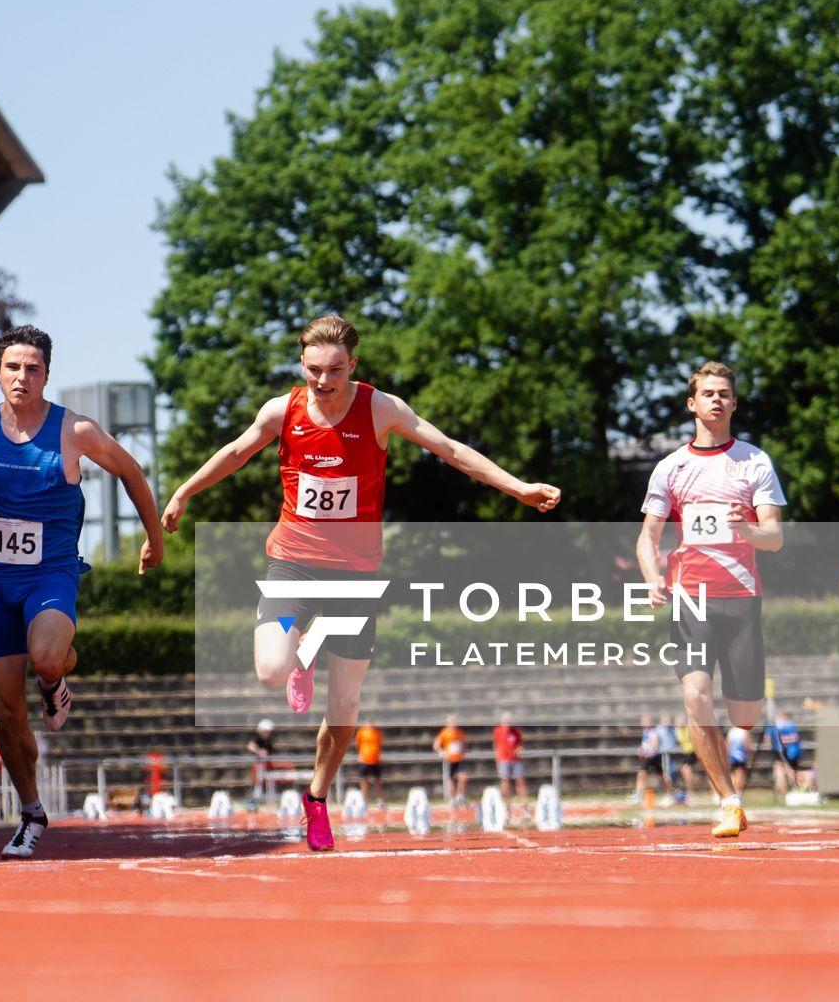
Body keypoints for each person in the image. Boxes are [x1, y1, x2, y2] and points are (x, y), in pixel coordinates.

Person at [161, 314, 559, 852]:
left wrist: (518, 488)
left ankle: (317, 799)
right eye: (313, 370)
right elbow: (236, 452)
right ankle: (302, 649)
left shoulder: (381, 408)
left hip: (353, 577)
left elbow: (451, 450)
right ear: (301, 364)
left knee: (345, 707)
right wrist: (184, 492)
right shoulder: (283, 411)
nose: (323, 382)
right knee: (270, 669)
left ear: (354, 365)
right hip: (294, 565)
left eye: (335, 371)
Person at [0, 325, 165, 859]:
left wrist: (154, 540)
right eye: (12, 367)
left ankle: (57, 677)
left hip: (51, 575)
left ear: (47, 374)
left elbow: (131, 470)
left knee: (47, 655)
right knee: (7, 714)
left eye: (32, 368)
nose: (21, 376)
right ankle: (31, 813)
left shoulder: (75, 430)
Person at [634, 361, 786, 840]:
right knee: (696, 696)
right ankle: (729, 801)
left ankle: (732, 781)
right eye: (708, 393)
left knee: (744, 716)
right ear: (692, 403)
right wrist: (652, 577)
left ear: (734, 403)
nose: (717, 400)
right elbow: (647, 537)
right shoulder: (670, 467)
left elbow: (775, 538)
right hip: (689, 597)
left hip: (741, 599)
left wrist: (745, 529)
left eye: (725, 393)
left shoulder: (754, 461)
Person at [492, 713, 527, 817]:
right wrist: (497, 757)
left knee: (520, 781)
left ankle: (524, 806)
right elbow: (495, 744)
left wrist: (519, 749)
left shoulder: (516, 732)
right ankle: (507, 806)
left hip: (515, 759)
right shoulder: (498, 731)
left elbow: (520, 744)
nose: (506, 725)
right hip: (504, 759)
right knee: (505, 781)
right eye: (505, 723)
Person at [433, 717, 468, 804]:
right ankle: (452, 798)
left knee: (463, 777)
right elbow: (436, 745)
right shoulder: (445, 733)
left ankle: (460, 796)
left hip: (459, 759)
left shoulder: (460, 733)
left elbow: (463, 744)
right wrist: (442, 753)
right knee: (451, 779)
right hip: (450, 759)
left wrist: (463, 751)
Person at [769, 710, 804, 794]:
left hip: (783, 751)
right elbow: (796, 737)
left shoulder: (775, 725)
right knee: (789, 770)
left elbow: (768, 738)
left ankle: (785, 791)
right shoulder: (790, 724)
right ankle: (793, 789)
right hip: (792, 751)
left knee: (782, 770)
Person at [355, 721, 383, 810]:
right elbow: (358, 744)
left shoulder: (377, 732)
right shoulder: (362, 732)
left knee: (378, 781)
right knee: (364, 781)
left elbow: (379, 744)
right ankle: (364, 801)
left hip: (375, 760)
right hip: (365, 760)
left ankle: (380, 801)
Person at [247, 718, 278, 800]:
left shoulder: (269, 740)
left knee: (269, 780)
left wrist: (265, 753)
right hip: (260, 765)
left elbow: (269, 751)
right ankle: (257, 794)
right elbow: (250, 746)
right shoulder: (258, 739)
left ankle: (269, 795)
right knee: (259, 778)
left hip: (268, 765)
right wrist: (258, 751)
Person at [726, 723, 750, 796]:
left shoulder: (731, 731)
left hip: (731, 755)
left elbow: (727, 744)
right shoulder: (744, 731)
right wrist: (750, 754)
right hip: (740, 755)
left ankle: (732, 791)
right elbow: (747, 744)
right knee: (740, 774)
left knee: (733, 774)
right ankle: (738, 792)